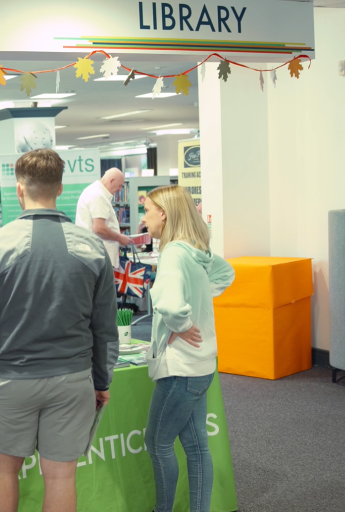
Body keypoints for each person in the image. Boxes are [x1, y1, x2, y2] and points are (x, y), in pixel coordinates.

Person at [0, 149, 119, 512]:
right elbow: (105, 327)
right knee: (62, 477)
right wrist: (101, 380)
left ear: (20, 190)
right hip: (72, 378)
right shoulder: (93, 246)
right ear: (61, 187)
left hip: (10, 378)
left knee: (3, 473)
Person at [141, 185, 235, 512]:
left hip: (180, 369)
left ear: (163, 214)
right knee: (197, 449)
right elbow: (226, 272)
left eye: (148, 211)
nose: (144, 218)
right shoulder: (194, 250)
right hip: (201, 365)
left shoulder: (173, 253)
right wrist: (197, 303)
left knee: (157, 444)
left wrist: (181, 323)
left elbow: (168, 303)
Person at [76, 168, 133, 268]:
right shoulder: (98, 195)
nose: (120, 189)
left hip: (95, 257)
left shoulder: (94, 191)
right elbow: (99, 228)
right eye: (120, 185)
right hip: (99, 258)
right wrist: (120, 238)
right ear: (111, 180)